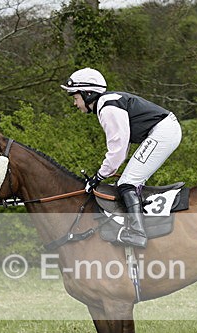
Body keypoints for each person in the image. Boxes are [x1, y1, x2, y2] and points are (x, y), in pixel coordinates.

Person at [61, 68, 182, 248]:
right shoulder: (107, 103)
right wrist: (104, 173)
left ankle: (137, 233)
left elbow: (117, 151)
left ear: (87, 94)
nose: (75, 103)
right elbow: (121, 149)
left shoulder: (107, 108)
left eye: (75, 97)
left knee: (127, 183)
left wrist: (98, 177)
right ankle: (139, 225)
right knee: (128, 181)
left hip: (163, 132)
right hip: (163, 130)